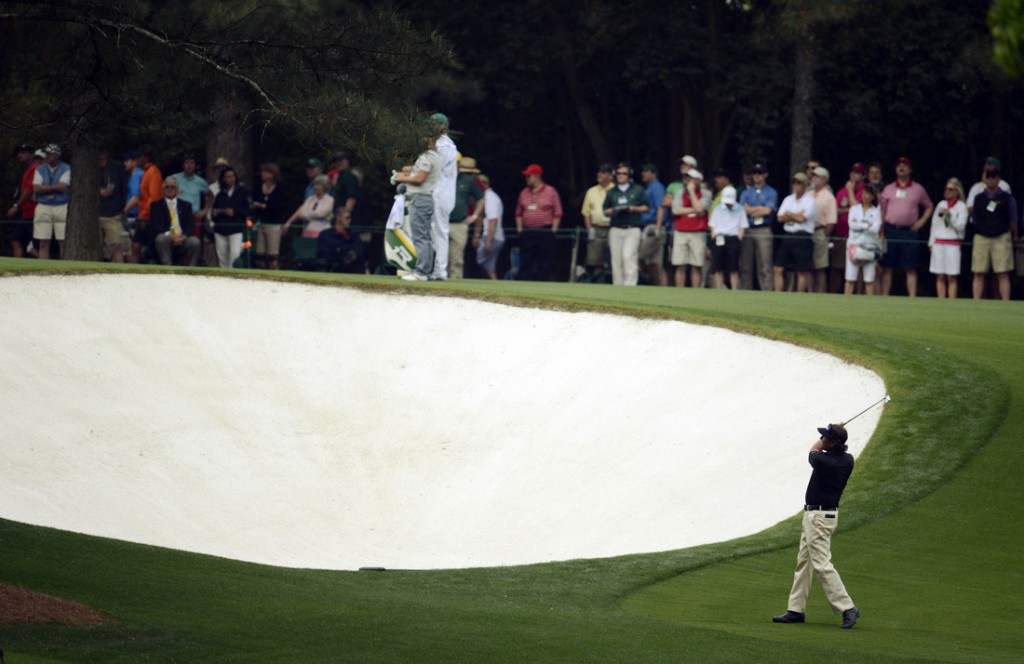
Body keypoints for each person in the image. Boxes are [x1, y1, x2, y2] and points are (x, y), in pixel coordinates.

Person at [773, 422, 860, 630]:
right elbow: (825, 448)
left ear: (832, 443)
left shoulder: (825, 461)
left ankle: (848, 608)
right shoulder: (847, 460)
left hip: (819, 518)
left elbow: (813, 451)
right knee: (804, 562)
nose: (822, 439)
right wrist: (833, 436)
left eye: (825, 437)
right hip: (817, 516)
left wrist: (823, 442)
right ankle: (795, 610)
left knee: (821, 564)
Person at [879, 157, 933, 297]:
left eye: (904, 166)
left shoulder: (918, 189)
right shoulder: (889, 188)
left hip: (909, 232)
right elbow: (882, 210)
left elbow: (929, 206)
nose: (901, 168)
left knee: (910, 267)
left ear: (910, 170)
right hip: (891, 230)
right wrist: (881, 231)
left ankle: (912, 298)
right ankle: (885, 297)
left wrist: (921, 221)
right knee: (887, 267)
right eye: (899, 166)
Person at [393, 135, 443, 282]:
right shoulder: (434, 156)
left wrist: (398, 178)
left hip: (420, 199)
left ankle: (421, 272)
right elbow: (415, 173)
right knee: (425, 237)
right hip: (425, 198)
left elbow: (419, 179)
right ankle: (425, 271)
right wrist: (404, 173)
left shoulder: (426, 156)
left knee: (421, 237)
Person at [970, 166, 1018, 301]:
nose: (991, 179)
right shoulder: (978, 198)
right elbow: (975, 219)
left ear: (998, 179)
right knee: (978, 272)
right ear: (984, 179)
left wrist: (1013, 234)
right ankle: (976, 302)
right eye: (988, 176)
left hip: (1001, 237)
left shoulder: (1007, 198)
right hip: (981, 237)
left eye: (994, 176)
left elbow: (1013, 220)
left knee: (1003, 272)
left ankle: (1006, 302)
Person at [602, 162, 649, 286]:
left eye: (624, 173)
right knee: (616, 260)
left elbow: (647, 207)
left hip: (632, 227)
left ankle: (630, 286)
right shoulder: (612, 192)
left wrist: (633, 209)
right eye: (618, 173)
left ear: (629, 175)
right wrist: (613, 210)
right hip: (616, 228)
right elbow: (605, 210)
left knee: (628, 256)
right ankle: (618, 286)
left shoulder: (638, 189)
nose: (621, 176)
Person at [515, 163, 563, 281]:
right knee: (526, 261)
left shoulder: (551, 191)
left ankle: (544, 286)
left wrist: (553, 230)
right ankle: (524, 286)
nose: (526, 178)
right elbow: (519, 212)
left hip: (544, 231)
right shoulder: (524, 192)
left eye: (529, 176)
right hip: (528, 231)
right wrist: (520, 228)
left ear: (537, 176)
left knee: (544, 262)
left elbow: (558, 212)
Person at [773, 172, 817, 293]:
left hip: (802, 236)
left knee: (801, 270)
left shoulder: (810, 201)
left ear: (804, 185)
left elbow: (802, 219)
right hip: (788, 236)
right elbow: (779, 218)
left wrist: (789, 214)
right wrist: (796, 215)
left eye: (799, 183)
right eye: (794, 182)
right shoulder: (788, 199)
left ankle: (799, 296)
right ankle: (778, 296)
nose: (795, 185)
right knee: (778, 268)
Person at [739, 162, 778, 291]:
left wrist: (751, 209)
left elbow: (767, 211)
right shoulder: (746, 192)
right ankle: (745, 292)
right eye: (754, 173)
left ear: (765, 175)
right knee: (745, 265)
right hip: (748, 229)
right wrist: (759, 208)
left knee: (765, 265)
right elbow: (742, 210)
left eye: (759, 173)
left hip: (763, 229)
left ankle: (767, 292)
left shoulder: (771, 192)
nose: (756, 176)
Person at [430, 113, 458, 281]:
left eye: (434, 124)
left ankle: (440, 270)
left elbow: (435, 167)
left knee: (440, 231)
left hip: (441, 193)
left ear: (443, 126)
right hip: (439, 192)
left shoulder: (444, 144)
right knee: (433, 232)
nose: (431, 127)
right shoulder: (440, 143)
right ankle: (433, 268)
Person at [31, 144, 71, 260]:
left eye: (50, 153)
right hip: (44, 206)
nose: (48, 156)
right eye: (47, 153)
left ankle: (65, 270)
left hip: (61, 205)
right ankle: (43, 272)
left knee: (63, 242)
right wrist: (55, 187)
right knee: (43, 242)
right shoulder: (40, 169)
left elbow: (63, 187)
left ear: (58, 155)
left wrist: (45, 188)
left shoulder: (66, 168)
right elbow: (36, 188)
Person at [669, 168, 708, 288]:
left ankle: (696, 292)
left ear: (698, 180)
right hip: (681, 231)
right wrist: (694, 210)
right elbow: (676, 210)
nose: (687, 180)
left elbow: (701, 209)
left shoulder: (706, 193)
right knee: (680, 264)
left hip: (698, 232)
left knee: (696, 265)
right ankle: (679, 291)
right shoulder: (680, 192)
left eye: (690, 178)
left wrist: (692, 193)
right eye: (686, 177)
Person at [831, 163, 866, 293]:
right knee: (837, 267)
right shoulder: (842, 191)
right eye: (852, 172)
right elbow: (835, 210)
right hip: (841, 234)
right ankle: (835, 296)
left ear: (863, 176)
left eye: (857, 173)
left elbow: (859, 210)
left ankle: (859, 296)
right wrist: (850, 209)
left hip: (858, 237)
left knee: (858, 269)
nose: (853, 175)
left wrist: (851, 191)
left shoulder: (865, 191)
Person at [449, 155, 485, 279]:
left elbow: (481, 202)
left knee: (456, 259)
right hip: (442, 221)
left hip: (460, 222)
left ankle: (455, 284)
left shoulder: (469, 181)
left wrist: (474, 217)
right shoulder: (443, 178)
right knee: (441, 257)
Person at [151, 176, 200, 266]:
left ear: (177, 189)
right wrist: (170, 235)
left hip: (183, 238)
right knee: (160, 238)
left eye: (172, 187)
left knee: (195, 241)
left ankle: (192, 269)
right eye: (167, 187)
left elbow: (190, 224)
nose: (169, 189)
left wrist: (183, 237)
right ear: (163, 189)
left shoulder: (186, 205)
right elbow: (156, 225)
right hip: (167, 239)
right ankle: (167, 267)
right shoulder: (156, 206)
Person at [844, 183, 883, 295]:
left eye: (869, 194)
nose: (865, 196)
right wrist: (867, 225)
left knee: (869, 280)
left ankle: (869, 305)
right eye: (864, 193)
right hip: (854, 246)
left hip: (869, 247)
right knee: (850, 278)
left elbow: (875, 229)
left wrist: (860, 224)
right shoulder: (854, 209)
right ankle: (846, 303)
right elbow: (852, 225)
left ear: (872, 197)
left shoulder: (876, 211)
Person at [708, 185, 747, 290]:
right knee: (718, 267)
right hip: (719, 238)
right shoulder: (718, 209)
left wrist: (739, 239)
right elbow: (712, 225)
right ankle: (718, 289)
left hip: (733, 239)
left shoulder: (740, 209)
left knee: (733, 267)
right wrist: (714, 238)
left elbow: (743, 227)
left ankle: (734, 290)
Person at [210, 166, 250, 268]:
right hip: (220, 229)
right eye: (228, 177)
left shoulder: (242, 192)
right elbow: (214, 210)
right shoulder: (220, 195)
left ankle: (234, 277)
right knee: (222, 257)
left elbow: (248, 209)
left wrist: (235, 212)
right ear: (223, 179)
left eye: (233, 176)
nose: (231, 179)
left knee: (235, 254)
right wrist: (214, 214)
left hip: (236, 228)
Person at [581, 164, 614, 281]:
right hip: (597, 228)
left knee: (613, 258)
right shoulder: (591, 191)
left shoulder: (616, 189)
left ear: (610, 176)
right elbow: (586, 212)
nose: (599, 174)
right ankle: (598, 284)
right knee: (596, 261)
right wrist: (590, 229)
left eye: (603, 172)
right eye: (599, 172)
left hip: (613, 229)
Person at [251, 162, 288, 269]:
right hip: (261, 223)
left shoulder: (279, 189)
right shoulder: (259, 188)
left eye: (265, 172)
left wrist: (263, 206)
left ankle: (275, 274)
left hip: (273, 224)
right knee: (260, 254)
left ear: (272, 174)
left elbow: (279, 207)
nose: (262, 174)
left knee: (272, 255)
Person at [7, 144, 41, 258]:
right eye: (19, 152)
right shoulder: (27, 168)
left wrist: (16, 206)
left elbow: (29, 190)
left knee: (38, 245)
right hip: (27, 212)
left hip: (34, 212)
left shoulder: (34, 167)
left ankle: (49, 265)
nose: (19, 155)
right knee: (16, 240)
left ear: (31, 155)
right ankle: (16, 269)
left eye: (23, 152)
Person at [133, 146, 163, 263]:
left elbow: (154, 197)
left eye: (138, 157)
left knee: (139, 248)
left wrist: (143, 215)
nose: (136, 160)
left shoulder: (153, 172)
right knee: (137, 247)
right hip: (145, 216)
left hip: (149, 218)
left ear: (145, 158)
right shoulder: (146, 172)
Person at [473, 173, 505, 280]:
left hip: (492, 236)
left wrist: (488, 241)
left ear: (485, 184)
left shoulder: (490, 198)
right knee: (489, 266)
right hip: (494, 236)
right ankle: (495, 285)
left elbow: (493, 220)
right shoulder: (486, 197)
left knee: (480, 261)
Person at [638, 164, 666, 285]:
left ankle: (644, 284)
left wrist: (658, 228)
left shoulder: (657, 188)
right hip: (649, 226)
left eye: (647, 171)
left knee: (637, 257)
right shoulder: (649, 188)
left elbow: (661, 207)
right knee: (653, 263)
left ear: (654, 174)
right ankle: (659, 288)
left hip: (654, 226)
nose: (643, 174)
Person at [810, 166, 837, 293]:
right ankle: (809, 293)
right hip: (807, 233)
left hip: (820, 231)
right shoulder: (808, 193)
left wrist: (824, 236)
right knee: (808, 266)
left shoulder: (829, 196)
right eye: (813, 176)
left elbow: (831, 221)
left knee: (820, 267)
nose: (814, 178)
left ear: (825, 180)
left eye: (817, 176)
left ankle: (820, 293)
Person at [283, 174, 334, 239]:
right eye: (314, 185)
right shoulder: (309, 199)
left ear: (324, 186)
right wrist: (314, 215)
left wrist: (309, 214)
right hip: (308, 230)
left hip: (323, 230)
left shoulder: (330, 200)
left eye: (318, 185)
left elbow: (321, 213)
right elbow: (302, 213)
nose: (315, 187)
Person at [98, 149, 126, 263]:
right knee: (94, 247)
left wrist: (120, 207)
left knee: (116, 246)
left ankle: (120, 274)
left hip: (112, 213)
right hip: (94, 213)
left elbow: (123, 187)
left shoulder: (116, 167)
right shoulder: (90, 166)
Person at [316, 209, 365, 273]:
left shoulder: (353, 235)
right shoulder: (326, 234)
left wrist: (341, 249)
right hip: (334, 266)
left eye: (350, 218)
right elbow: (323, 253)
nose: (350, 220)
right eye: (347, 218)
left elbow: (359, 250)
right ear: (338, 218)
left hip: (352, 266)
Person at [171, 152, 210, 221]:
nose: (189, 165)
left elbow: (210, 194)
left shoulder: (200, 181)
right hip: (177, 215)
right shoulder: (174, 178)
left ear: (195, 165)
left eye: (192, 163)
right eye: (187, 162)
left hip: (194, 216)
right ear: (183, 165)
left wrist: (205, 210)